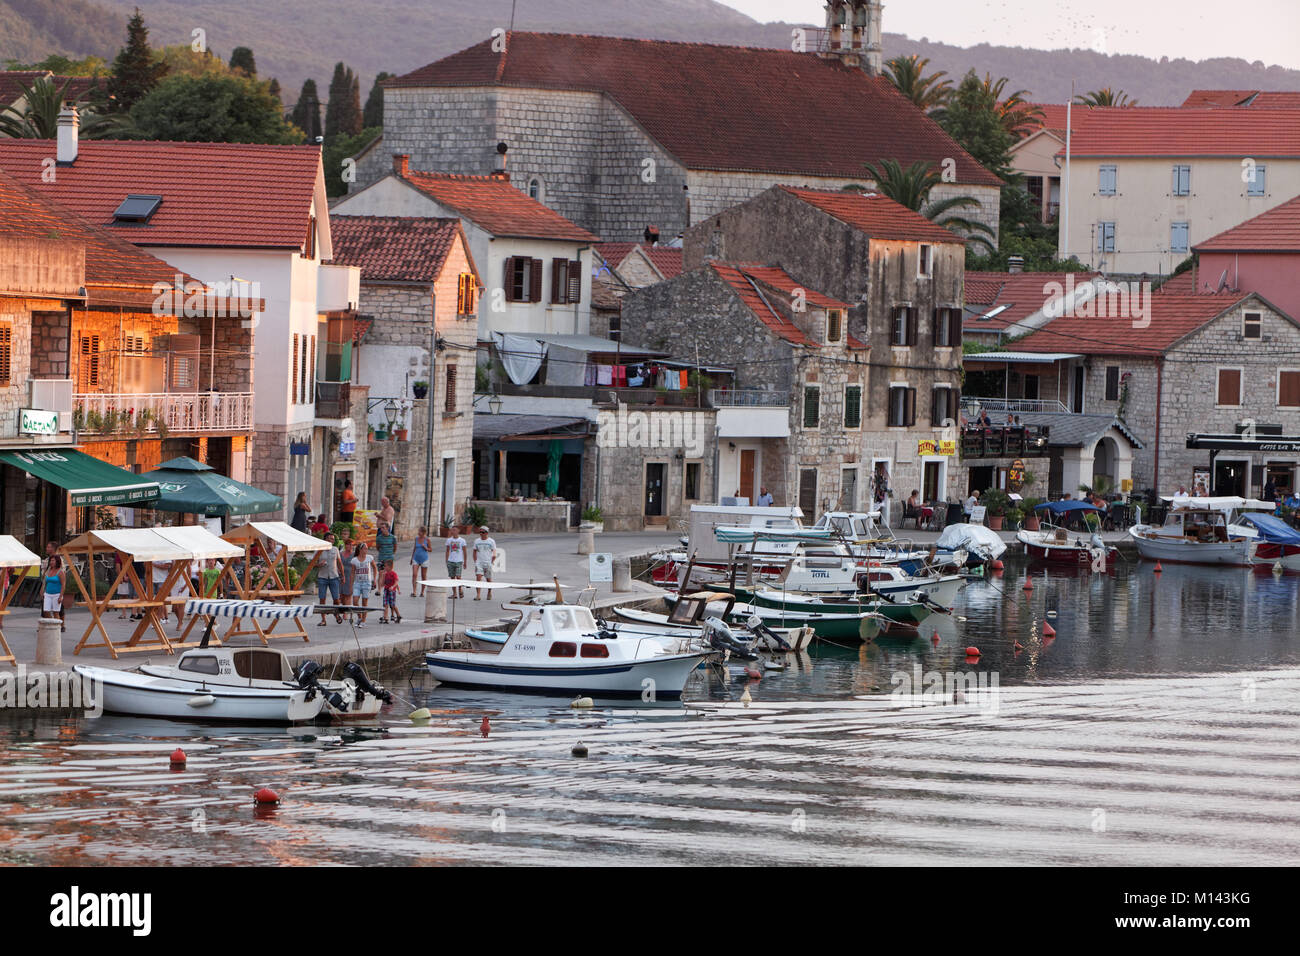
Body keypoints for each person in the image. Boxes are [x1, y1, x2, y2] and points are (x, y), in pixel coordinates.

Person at [315, 533, 344, 626]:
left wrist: (343, 576)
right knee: (322, 599)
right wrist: (319, 564)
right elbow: (312, 563)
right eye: (330, 539)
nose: (331, 540)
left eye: (333, 539)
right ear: (325, 539)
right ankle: (323, 620)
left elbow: (339, 563)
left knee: (336, 599)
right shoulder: (319, 549)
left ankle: (336, 614)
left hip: (334, 576)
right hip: (322, 577)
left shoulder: (335, 549)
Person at [349, 543, 376, 627]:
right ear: (360, 550)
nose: (366, 550)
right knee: (355, 601)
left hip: (367, 582)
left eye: (367, 549)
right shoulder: (354, 560)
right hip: (357, 583)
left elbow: (375, 568)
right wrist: (350, 585)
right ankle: (360, 617)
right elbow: (352, 573)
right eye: (364, 549)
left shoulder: (369, 558)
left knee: (365, 602)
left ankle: (363, 621)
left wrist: (374, 580)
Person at [43, 542, 66, 630]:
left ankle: (60, 626)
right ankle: (52, 624)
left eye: (49, 547)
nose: (47, 548)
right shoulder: (47, 562)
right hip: (48, 592)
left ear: (53, 548)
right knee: (46, 610)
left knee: (58, 611)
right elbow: (45, 579)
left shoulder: (60, 562)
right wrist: (42, 589)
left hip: (57, 593)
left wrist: (61, 595)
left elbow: (63, 582)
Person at [472, 527, 498, 600]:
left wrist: (492, 560)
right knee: (478, 579)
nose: (481, 534)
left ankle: (489, 592)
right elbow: (474, 551)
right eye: (480, 532)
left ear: (486, 533)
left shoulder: (491, 541)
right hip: (479, 563)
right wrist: (475, 561)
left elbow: (494, 551)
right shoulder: (477, 541)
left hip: (488, 562)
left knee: (488, 579)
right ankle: (478, 595)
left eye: (482, 532)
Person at [445, 525, 468, 599]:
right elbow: (447, 551)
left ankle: (460, 589)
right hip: (451, 560)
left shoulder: (462, 540)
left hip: (459, 561)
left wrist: (465, 562)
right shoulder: (449, 540)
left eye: (455, 530)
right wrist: (447, 560)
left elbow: (464, 551)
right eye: (452, 530)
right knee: (452, 578)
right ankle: (454, 593)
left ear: (458, 531)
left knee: (458, 577)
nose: (453, 531)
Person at [411, 525, 432, 596]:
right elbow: (414, 548)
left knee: (423, 576)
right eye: (418, 531)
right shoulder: (416, 539)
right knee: (414, 574)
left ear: (423, 532)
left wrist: (425, 547)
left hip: (424, 559)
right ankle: (414, 591)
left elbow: (430, 549)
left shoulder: (427, 540)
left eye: (419, 531)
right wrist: (412, 558)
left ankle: (422, 592)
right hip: (416, 558)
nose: (418, 532)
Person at [380, 560, 402, 624]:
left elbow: (396, 582)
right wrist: (382, 576)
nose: (384, 568)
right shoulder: (385, 574)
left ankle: (398, 615)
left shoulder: (393, 574)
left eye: (385, 566)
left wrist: (394, 587)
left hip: (392, 591)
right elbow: (382, 584)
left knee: (392, 605)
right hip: (386, 590)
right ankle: (385, 618)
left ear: (390, 567)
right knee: (385, 604)